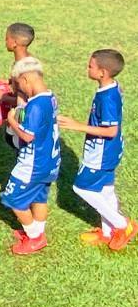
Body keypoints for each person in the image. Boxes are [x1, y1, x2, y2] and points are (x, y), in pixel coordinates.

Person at [58, 50, 136, 251]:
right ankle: (108, 232)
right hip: (109, 150)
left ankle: (123, 226)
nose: (87, 68)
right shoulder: (109, 88)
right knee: (105, 190)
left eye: (90, 66)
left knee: (81, 188)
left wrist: (77, 126)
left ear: (103, 72)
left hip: (102, 153)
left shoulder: (107, 98)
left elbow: (110, 130)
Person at [2, 57, 61, 255]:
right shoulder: (51, 97)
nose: (21, 90)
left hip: (33, 163)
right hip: (50, 161)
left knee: (13, 199)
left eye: (19, 85)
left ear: (26, 79)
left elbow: (27, 136)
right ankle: (37, 232)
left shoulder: (35, 105)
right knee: (40, 197)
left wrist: (12, 121)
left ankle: (35, 237)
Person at [0, 22, 35, 150]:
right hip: (18, 111)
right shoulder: (25, 59)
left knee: (20, 146)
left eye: (7, 38)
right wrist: (9, 81)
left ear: (14, 42)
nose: (5, 41)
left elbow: (29, 100)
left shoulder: (25, 70)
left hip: (23, 116)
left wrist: (2, 97)